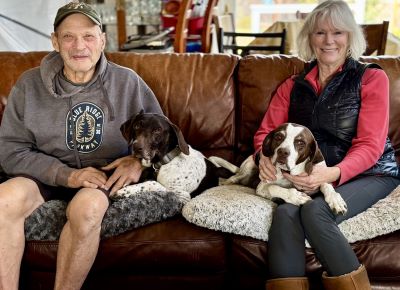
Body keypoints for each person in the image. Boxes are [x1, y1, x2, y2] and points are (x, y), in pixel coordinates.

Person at [0, 2, 163, 290]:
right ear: (54, 41)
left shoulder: (128, 83)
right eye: (68, 37)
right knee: (3, 200)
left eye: (88, 36)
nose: (79, 46)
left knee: (87, 208)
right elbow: (11, 150)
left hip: (101, 178)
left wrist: (138, 160)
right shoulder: (28, 85)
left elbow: (161, 136)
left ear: (102, 39)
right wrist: (67, 175)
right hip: (43, 174)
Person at [253, 1, 400, 289]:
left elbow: (371, 145)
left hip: (372, 173)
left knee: (315, 211)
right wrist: (263, 158)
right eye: (320, 33)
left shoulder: (371, 78)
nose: (329, 41)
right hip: (309, 175)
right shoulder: (291, 86)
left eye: (338, 33)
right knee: (284, 212)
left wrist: (329, 175)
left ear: (350, 37)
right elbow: (266, 133)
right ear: (310, 38)